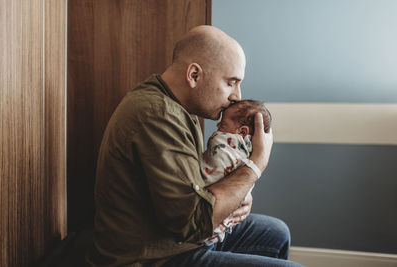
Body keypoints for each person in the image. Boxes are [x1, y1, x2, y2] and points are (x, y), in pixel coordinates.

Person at [86, 25, 303, 266]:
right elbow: (191, 222)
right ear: (194, 75)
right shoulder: (158, 115)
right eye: (231, 82)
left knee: (276, 232)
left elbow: (194, 185)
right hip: (153, 256)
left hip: (173, 238)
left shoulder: (178, 106)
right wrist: (255, 166)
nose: (237, 96)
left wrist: (237, 195)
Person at [200, 100, 272, 246]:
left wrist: (242, 197)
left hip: (215, 225)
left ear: (242, 132)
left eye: (223, 125)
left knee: (278, 231)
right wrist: (259, 160)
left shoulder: (225, 143)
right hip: (203, 226)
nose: (218, 127)